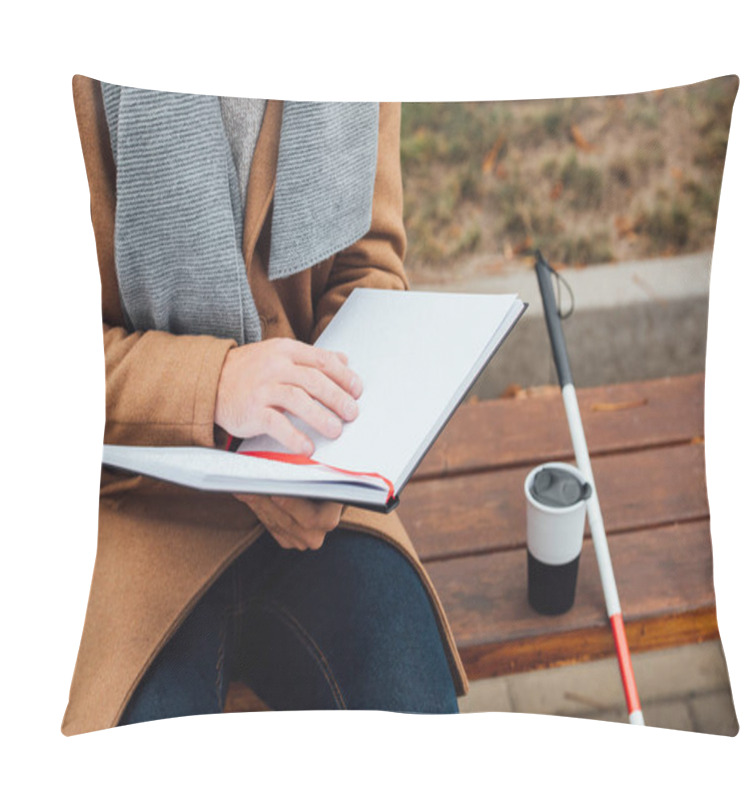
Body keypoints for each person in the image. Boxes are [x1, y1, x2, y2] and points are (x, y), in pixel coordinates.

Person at [61, 77, 468, 735]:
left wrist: (329, 458)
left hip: (314, 506)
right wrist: (216, 385)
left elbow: (370, 270)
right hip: (129, 508)